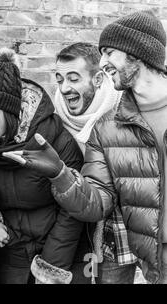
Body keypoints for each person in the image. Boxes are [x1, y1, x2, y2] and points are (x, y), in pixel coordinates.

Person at [5, 10, 167, 284]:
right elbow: (98, 203)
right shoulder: (107, 128)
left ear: (137, 53)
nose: (102, 62)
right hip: (151, 262)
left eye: (109, 52)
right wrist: (60, 174)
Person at [0, 48, 84, 284]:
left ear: (12, 113)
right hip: (12, 251)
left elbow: (73, 208)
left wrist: (49, 268)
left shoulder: (54, 138)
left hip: (58, 250)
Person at [53, 42, 134, 284]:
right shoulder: (56, 119)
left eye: (74, 78)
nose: (64, 88)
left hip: (122, 234)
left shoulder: (125, 112)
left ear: (98, 79)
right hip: (82, 236)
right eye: (60, 79)